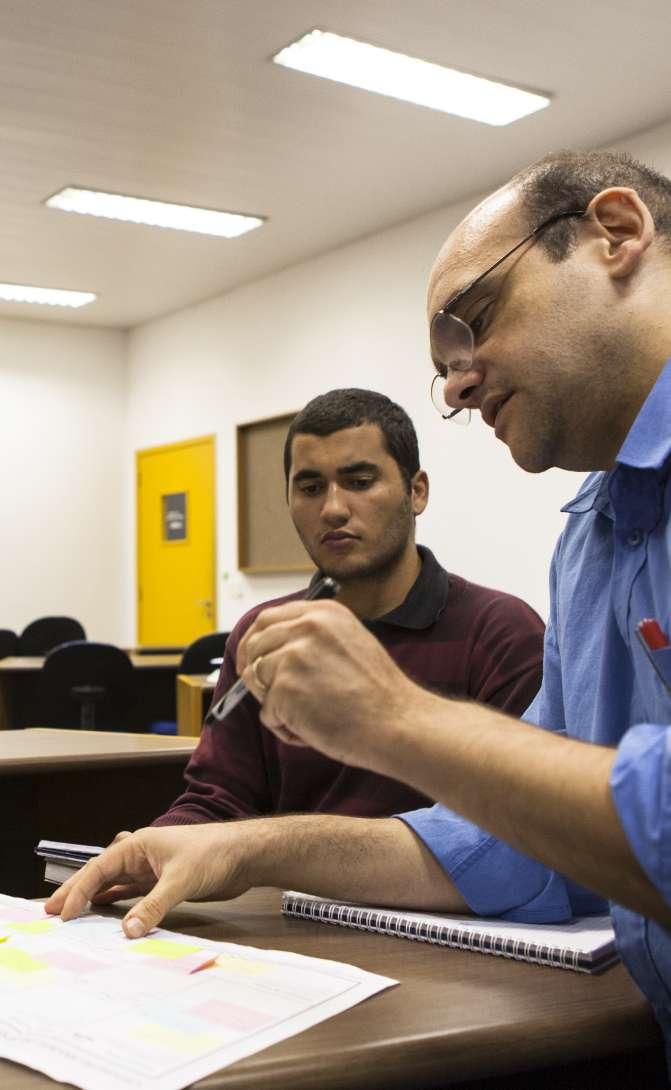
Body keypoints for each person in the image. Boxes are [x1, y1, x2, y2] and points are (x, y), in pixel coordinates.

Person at [47, 147, 671, 1061]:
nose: (458, 387)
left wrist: (392, 719)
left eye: (476, 323)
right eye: (442, 366)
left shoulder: (506, 615)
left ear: (615, 235)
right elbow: (511, 843)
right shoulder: (594, 538)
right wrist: (239, 852)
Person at [152, 387, 543, 824]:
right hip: (283, 890)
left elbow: (507, 833)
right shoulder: (264, 634)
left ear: (417, 492)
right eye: (311, 487)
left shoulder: (503, 633)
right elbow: (216, 800)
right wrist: (155, 849)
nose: (333, 509)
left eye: (360, 483)